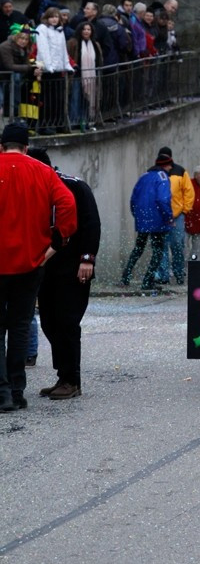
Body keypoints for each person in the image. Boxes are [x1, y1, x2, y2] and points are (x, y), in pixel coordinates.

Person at [0, 121, 77, 410]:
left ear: (1, 145)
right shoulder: (42, 171)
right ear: (26, 147)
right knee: (20, 325)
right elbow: (67, 204)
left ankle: (2, 392)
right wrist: (56, 242)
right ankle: (17, 390)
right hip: (31, 262)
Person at [27, 148, 101, 400]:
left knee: (67, 322)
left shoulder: (75, 187)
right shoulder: (33, 189)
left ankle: (72, 379)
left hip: (73, 266)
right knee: (48, 321)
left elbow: (92, 223)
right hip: (46, 267)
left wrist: (87, 259)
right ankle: (63, 374)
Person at [121, 159, 174, 291]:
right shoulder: (163, 177)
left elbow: (133, 199)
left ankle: (125, 277)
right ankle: (147, 281)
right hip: (157, 219)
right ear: (165, 166)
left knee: (138, 248)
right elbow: (163, 199)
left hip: (143, 218)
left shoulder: (143, 177)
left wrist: (137, 216)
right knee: (158, 251)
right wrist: (168, 217)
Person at [155, 147, 194, 286]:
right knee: (162, 247)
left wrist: (185, 210)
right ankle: (164, 275)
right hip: (160, 217)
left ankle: (178, 273)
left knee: (177, 246)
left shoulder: (180, 172)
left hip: (176, 215)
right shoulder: (155, 172)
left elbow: (189, 192)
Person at [35, 6, 73, 132]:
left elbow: (63, 50)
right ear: (47, 17)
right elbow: (43, 49)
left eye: (56, 17)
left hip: (58, 70)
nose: (54, 19)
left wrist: (67, 65)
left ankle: (58, 123)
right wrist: (48, 66)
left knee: (59, 99)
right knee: (47, 99)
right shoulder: (42, 29)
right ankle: (45, 125)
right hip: (47, 71)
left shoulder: (60, 31)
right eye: (51, 17)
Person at [67, 21, 102, 128]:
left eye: (88, 29)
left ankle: (84, 121)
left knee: (86, 100)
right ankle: (74, 122)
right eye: (84, 29)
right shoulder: (73, 42)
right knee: (75, 99)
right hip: (77, 76)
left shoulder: (95, 44)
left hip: (91, 77)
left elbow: (99, 60)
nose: (86, 31)